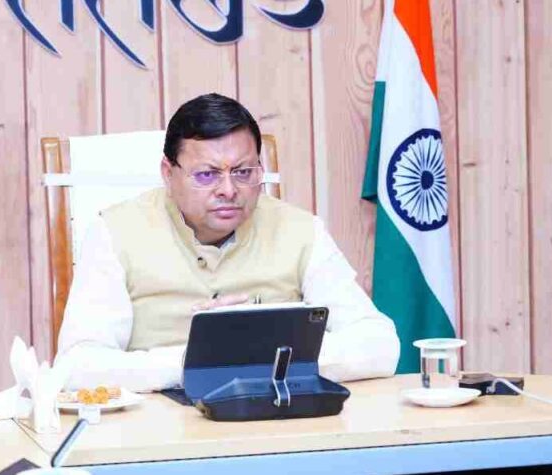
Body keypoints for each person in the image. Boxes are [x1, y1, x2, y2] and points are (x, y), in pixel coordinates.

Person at [57, 93, 400, 391]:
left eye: (243, 172)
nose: (228, 190)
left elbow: (380, 346)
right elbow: (77, 366)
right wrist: (194, 360)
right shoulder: (115, 232)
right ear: (168, 173)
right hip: (160, 424)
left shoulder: (300, 230)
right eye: (206, 174)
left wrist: (261, 352)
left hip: (278, 418)